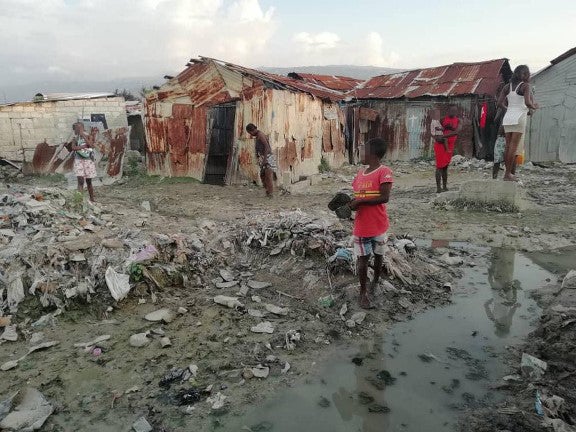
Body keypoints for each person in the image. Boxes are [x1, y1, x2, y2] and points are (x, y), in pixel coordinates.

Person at [348, 138, 393, 309]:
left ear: (372, 153)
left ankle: (375, 280)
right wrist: (352, 204)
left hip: (378, 224)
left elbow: (384, 197)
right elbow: (358, 197)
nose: (360, 153)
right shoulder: (360, 174)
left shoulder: (384, 172)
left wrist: (360, 202)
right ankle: (363, 292)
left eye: (363, 150)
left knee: (379, 254)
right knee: (363, 259)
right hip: (361, 225)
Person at [497, 65, 539, 181]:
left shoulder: (507, 87)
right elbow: (527, 102)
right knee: (513, 148)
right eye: (528, 73)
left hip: (508, 117)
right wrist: (534, 106)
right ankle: (508, 174)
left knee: (508, 146)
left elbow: (499, 103)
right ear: (524, 74)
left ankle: (507, 173)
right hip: (520, 116)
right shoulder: (525, 86)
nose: (529, 76)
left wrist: (509, 109)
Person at [433, 105, 461, 193]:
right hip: (440, 144)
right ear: (448, 111)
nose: (453, 112)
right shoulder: (442, 119)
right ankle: (438, 188)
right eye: (452, 111)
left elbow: (456, 132)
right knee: (439, 166)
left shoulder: (459, 121)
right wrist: (438, 136)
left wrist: (443, 135)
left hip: (450, 145)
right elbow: (435, 129)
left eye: (455, 111)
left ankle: (444, 186)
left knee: (445, 166)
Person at [246, 123, 276, 197]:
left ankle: (270, 193)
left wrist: (265, 159)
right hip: (263, 157)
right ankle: (268, 192)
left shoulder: (260, 135)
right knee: (263, 175)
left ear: (252, 131)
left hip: (267, 157)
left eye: (250, 133)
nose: (250, 134)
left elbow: (266, 146)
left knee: (268, 176)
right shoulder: (258, 135)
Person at [70, 122, 97, 202]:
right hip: (79, 161)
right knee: (80, 181)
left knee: (89, 181)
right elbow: (73, 148)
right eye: (75, 129)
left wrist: (84, 136)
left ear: (82, 128)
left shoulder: (88, 136)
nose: (76, 130)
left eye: (78, 129)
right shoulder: (75, 138)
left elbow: (91, 146)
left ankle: (92, 198)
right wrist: (83, 146)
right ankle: (79, 200)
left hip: (88, 161)